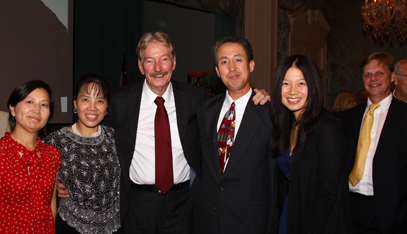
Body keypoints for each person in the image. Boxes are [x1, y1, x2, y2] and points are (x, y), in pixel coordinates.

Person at [53, 32, 270, 234]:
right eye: (150, 61)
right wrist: (63, 177)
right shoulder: (120, 101)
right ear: (140, 66)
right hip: (137, 206)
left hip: (183, 205)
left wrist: (257, 96)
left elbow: (234, 103)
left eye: (164, 59)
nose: (158, 68)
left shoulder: (196, 98)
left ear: (174, 62)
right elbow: (91, 133)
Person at [192, 35, 273, 234]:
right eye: (224, 62)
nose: (232, 68)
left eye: (238, 60)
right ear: (218, 71)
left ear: (251, 65)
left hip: (249, 223)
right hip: (206, 221)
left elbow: (275, 180)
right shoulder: (204, 110)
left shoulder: (271, 114)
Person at [269, 55, 353, 234]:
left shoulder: (328, 127)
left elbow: (327, 194)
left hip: (318, 223)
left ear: (314, 88)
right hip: (291, 214)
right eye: (285, 83)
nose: (292, 91)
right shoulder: (287, 126)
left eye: (301, 83)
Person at [43, 74, 120, 233]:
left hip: (115, 227)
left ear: (106, 106)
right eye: (85, 99)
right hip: (71, 227)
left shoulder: (117, 138)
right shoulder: (55, 142)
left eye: (99, 101)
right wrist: (52, 188)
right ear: (75, 103)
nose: (92, 107)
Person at [341, 52, 407, 233]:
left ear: (393, 76)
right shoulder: (348, 117)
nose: (373, 79)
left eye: (379, 73)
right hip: (350, 209)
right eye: (367, 74)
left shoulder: (404, 115)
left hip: (390, 214)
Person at [0, 80, 60, 233]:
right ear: (12, 109)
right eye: (29, 102)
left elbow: (51, 204)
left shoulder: (53, 154)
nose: (37, 110)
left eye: (44, 105)